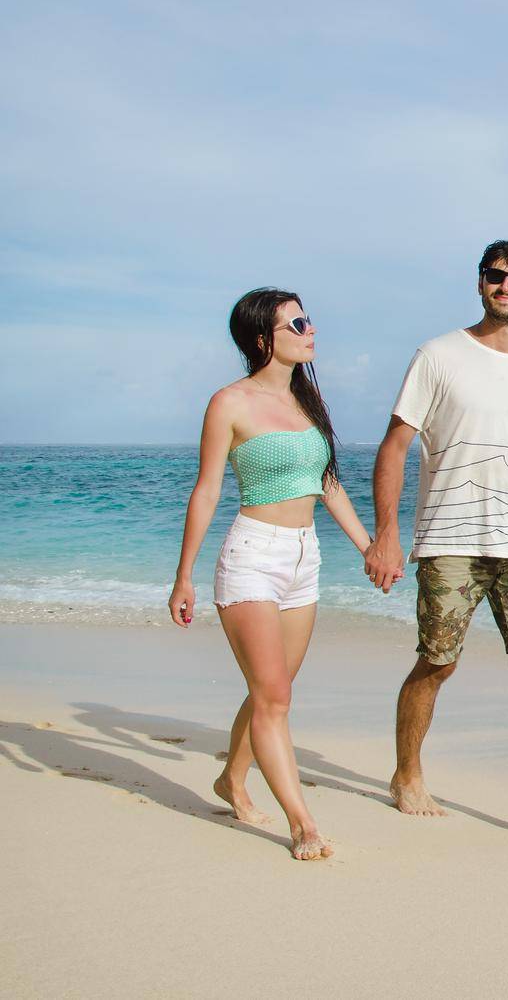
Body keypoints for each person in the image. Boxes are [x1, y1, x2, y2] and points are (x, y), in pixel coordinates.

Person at [364, 240, 508, 848]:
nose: (506, 286)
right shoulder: (438, 356)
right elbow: (395, 446)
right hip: (449, 537)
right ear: (480, 282)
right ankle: (406, 775)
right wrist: (386, 533)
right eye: (496, 276)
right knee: (438, 661)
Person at [167, 289, 372, 861]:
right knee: (274, 696)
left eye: (308, 319)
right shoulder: (228, 403)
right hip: (252, 555)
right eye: (297, 323)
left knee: (271, 692)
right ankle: (302, 823)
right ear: (263, 339)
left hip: (304, 559)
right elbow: (206, 490)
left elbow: (326, 483)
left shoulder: (308, 402)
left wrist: (367, 546)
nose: (311, 330)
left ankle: (232, 779)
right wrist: (183, 576)